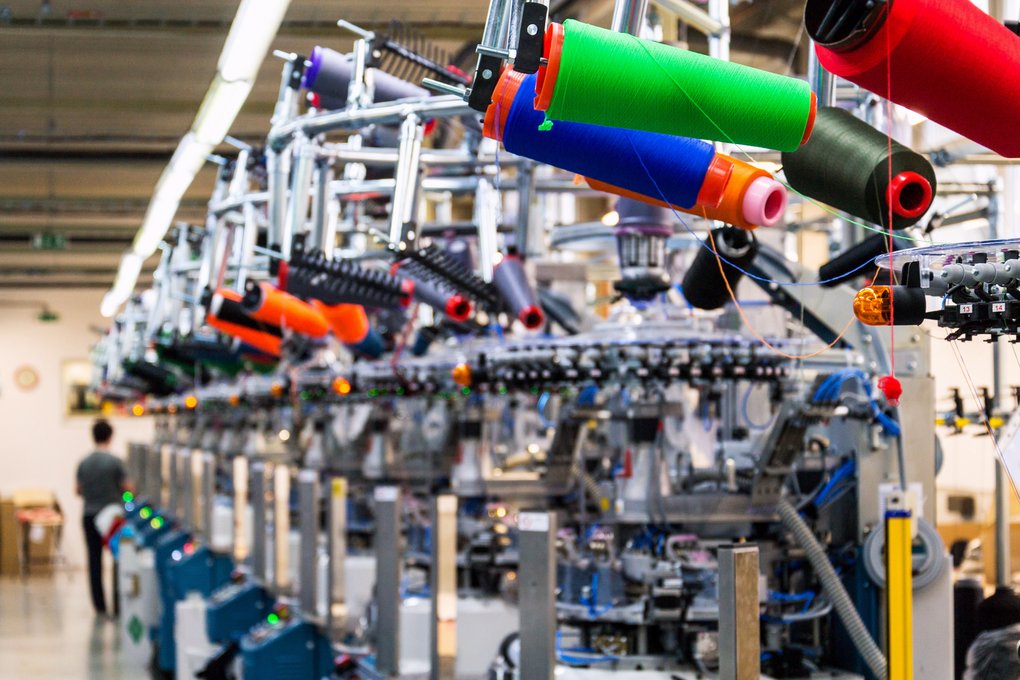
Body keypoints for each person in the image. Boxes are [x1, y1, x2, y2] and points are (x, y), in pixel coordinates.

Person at [76, 419, 127, 617]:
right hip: (112, 517)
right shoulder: (115, 462)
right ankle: (118, 603)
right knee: (118, 557)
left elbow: (78, 490)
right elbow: (127, 488)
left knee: (94, 560)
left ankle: (100, 606)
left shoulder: (84, 462)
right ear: (110, 437)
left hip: (89, 515)